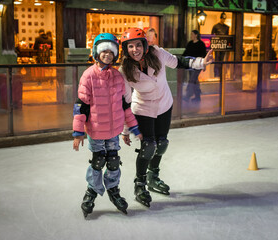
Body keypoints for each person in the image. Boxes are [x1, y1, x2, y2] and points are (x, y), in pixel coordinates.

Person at [119, 28, 213, 207]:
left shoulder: (157, 53)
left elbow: (179, 61)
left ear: (145, 45)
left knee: (161, 143)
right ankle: (140, 184)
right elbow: (125, 100)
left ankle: (153, 176)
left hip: (164, 104)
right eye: (130, 46)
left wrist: (201, 62)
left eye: (138, 45)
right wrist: (125, 129)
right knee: (148, 146)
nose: (135, 49)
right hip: (143, 108)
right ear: (125, 49)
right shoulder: (124, 70)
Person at [72, 33, 142, 217]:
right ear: (96, 52)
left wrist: (133, 127)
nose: (107, 55)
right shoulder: (88, 76)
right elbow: (81, 106)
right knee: (98, 161)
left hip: (113, 130)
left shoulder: (117, 77)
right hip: (95, 130)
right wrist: (78, 132)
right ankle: (91, 191)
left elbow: (125, 105)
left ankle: (113, 190)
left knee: (112, 161)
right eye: (104, 51)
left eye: (111, 52)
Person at [182, 30, 207, 102]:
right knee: (195, 80)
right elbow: (186, 53)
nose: (191, 36)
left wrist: (204, 65)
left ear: (196, 35)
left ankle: (188, 95)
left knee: (192, 80)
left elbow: (203, 55)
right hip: (191, 65)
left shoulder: (201, 44)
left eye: (192, 34)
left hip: (198, 65)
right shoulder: (190, 43)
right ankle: (197, 96)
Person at [211, 12, 229, 78]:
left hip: (223, 46)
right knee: (217, 59)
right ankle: (216, 74)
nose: (223, 20)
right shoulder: (216, 26)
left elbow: (227, 37)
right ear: (220, 18)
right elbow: (212, 36)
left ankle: (221, 74)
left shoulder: (226, 27)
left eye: (224, 19)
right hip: (217, 45)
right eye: (222, 18)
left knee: (221, 60)